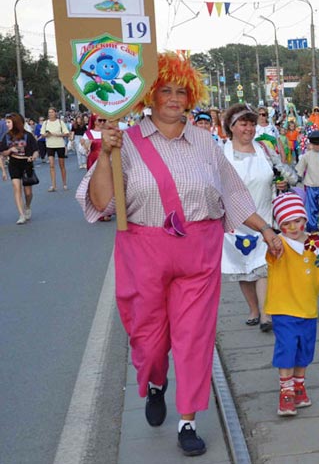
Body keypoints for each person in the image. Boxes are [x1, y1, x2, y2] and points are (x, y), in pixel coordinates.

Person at [76, 52, 283, 457]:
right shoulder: (126, 141)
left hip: (199, 252)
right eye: (165, 90)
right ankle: (155, 382)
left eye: (181, 91)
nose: (173, 98)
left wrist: (267, 230)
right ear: (148, 95)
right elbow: (100, 203)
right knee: (150, 342)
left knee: (194, 338)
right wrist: (105, 153)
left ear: (191, 96)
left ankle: (188, 418)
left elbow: (233, 194)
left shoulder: (206, 142)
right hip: (144, 251)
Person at [220, 104, 298, 332]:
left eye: (252, 124)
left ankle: (266, 314)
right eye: (244, 124)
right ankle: (253, 309)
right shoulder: (221, 154)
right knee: (243, 267)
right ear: (231, 127)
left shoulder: (264, 148)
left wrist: (284, 182)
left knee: (264, 266)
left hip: (265, 216)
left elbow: (285, 173)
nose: (249, 129)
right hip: (236, 222)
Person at [266, 192, 319, 416]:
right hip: (284, 308)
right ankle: (286, 391)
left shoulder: (317, 243)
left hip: (308, 308)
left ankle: (299, 385)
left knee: (304, 351)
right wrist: (272, 242)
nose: (294, 227)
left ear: (305, 219)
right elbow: (272, 254)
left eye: (297, 221)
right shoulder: (281, 245)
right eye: (287, 223)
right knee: (287, 348)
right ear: (280, 225)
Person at [1, 113, 39, 224]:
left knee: (28, 193)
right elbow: (3, 152)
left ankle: (27, 206)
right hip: (14, 163)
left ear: (16, 122)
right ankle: (21, 214)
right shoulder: (6, 136)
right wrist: (10, 150)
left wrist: (34, 156)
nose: (7, 124)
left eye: (9, 122)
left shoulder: (28, 135)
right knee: (16, 187)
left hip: (26, 163)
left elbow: (35, 150)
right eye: (6, 122)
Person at [42, 107, 70, 191]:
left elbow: (66, 133)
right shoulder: (45, 122)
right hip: (50, 145)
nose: (50, 114)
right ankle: (53, 185)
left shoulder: (60, 122)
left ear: (55, 113)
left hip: (59, 145)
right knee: (51, 165)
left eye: (52, 112)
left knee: (62, 165)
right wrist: (46, 134)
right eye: (49, 112)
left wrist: (57, 134)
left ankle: (64, 184)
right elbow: (42, 134)